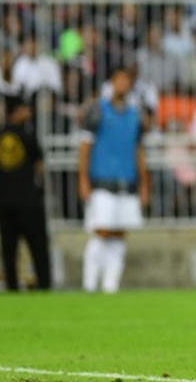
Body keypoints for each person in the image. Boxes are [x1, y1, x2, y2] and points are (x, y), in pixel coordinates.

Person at [78, 67, 150, 293]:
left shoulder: (134, 116)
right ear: (111, 82)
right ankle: (90, 284)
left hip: (127, 183)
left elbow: (138, 151)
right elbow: (84, 147)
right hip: (102, 182)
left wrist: (144, 184)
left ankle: (111, 286)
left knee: (120, 234)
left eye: (127, 81)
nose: (123, 85)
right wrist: (83, 179)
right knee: (101, 231)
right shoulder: (97, 111)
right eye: (119, 80)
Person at [0, 94, 50, 291]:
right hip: (28, 199)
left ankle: (12, 286)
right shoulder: (28, 136)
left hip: (4, 200)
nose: (29, 113)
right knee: (38, 247)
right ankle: (44, 284)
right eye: (25, 109)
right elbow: (39, 167)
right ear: (18, 111)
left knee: (8, 250)